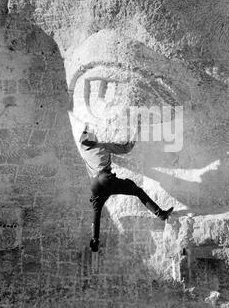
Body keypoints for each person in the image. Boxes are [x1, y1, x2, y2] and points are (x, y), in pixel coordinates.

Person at [68, 91, 173, 252]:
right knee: (137, 191)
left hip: (94, 185)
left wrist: (86, 127)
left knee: (96, 213)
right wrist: (136, 131)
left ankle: (94, 240)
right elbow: (126, 148)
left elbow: (84, 137)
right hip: (105, 178)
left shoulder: (84, 152)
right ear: (94, 139)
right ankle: (161, 214)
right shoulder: (102, 145)